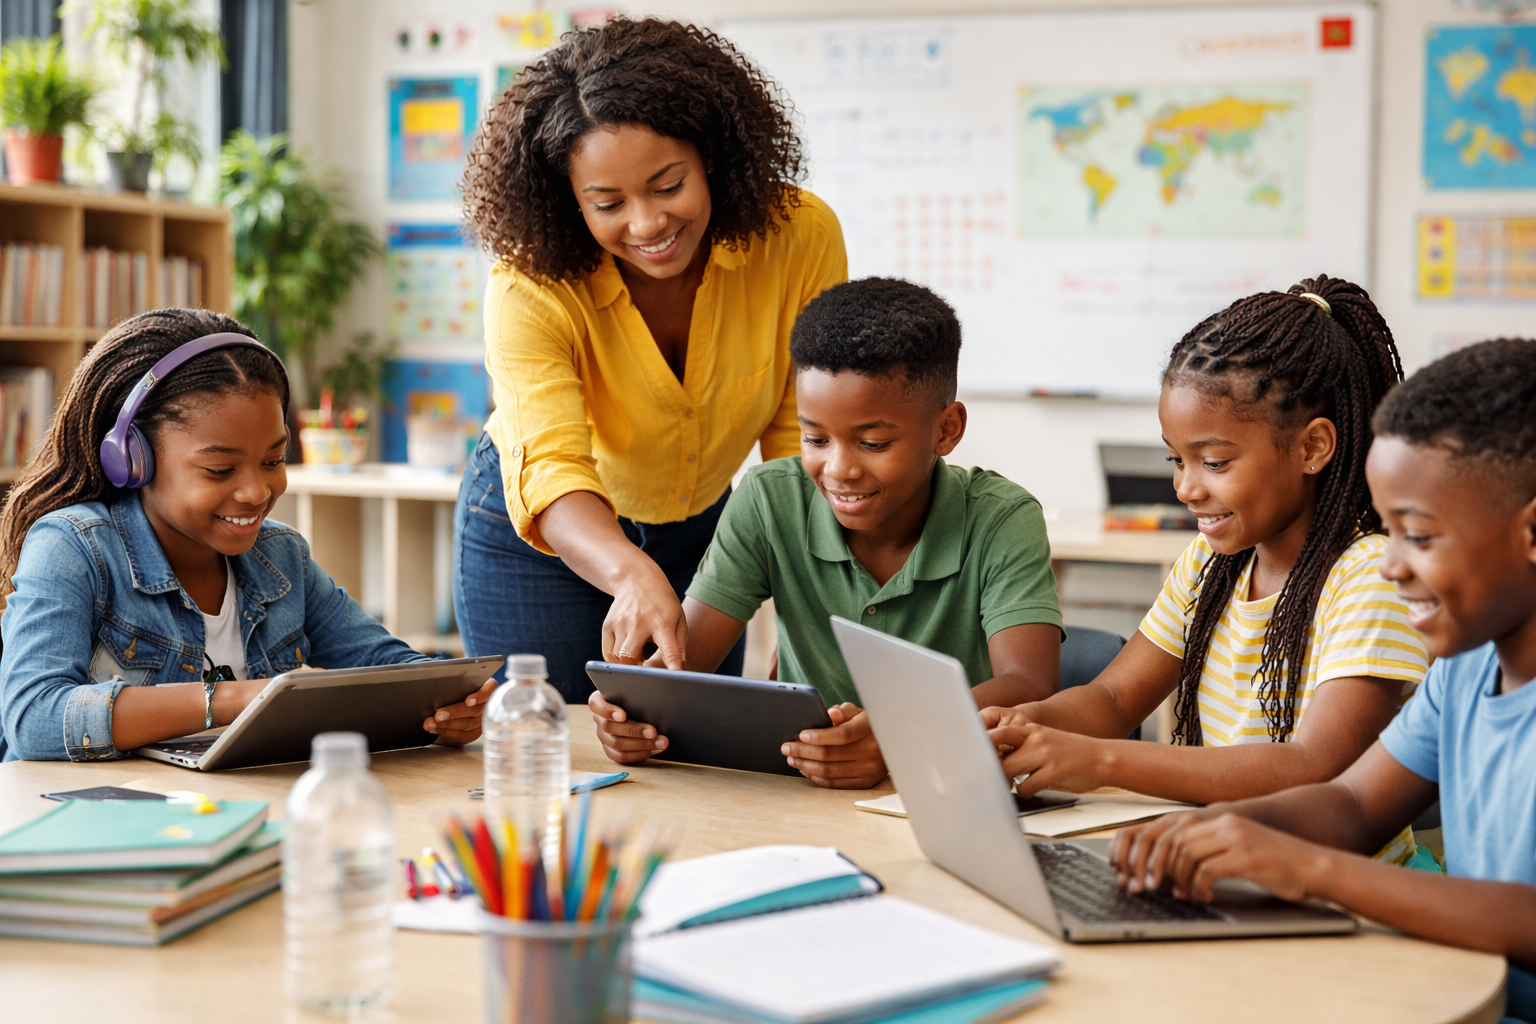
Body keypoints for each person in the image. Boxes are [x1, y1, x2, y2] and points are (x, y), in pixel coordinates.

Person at [1110, 339, 1536, 1022]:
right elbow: (1355, 805)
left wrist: (1309, 867)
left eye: (1420, 537)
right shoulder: (1466, 670)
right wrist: (1217, 831)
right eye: (1390, 531)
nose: (1391, 565)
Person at [454, 17, 847, 700]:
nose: (647, 224)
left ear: (711, 154)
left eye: (668, 187)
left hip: (703, 534)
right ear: (569, 201)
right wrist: (631, 572)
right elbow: (552, 467)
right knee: (551, 740)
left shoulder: (800, 236)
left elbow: (799, 437)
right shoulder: (527, 285)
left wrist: (806, 605)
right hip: (545, 540)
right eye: (608, 203)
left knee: (691, 745)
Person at [982, 276, 1429, 858]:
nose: (1185, 488)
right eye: (1176, 459)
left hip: (1335, 886)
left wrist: (1100, 761)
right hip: (1219, 863)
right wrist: (1018, 725)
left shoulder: (1368, 576)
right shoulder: (1211, 563)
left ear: (1313, 448)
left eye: (1214, 462)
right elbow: (1113, 700)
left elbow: (1314, 767)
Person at [588, 278, 1062, 788]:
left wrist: (900, 735)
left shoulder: (1002, 518)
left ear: (946, 429)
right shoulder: (770, 499)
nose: (839, 470)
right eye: (815, 438)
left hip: (945, 790)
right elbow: (687, 661)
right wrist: (637, 711)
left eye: (873, 443)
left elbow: (1030, 684)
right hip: (801, 794)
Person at [0, 309, 494, 762]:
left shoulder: (281, 556)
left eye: (274, 460)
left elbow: (388, 667)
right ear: (131, 459)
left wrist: (449, 707)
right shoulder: (72, 548)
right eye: (220, 469)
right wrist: (238, 697)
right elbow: (33, 717)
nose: (257, 491)